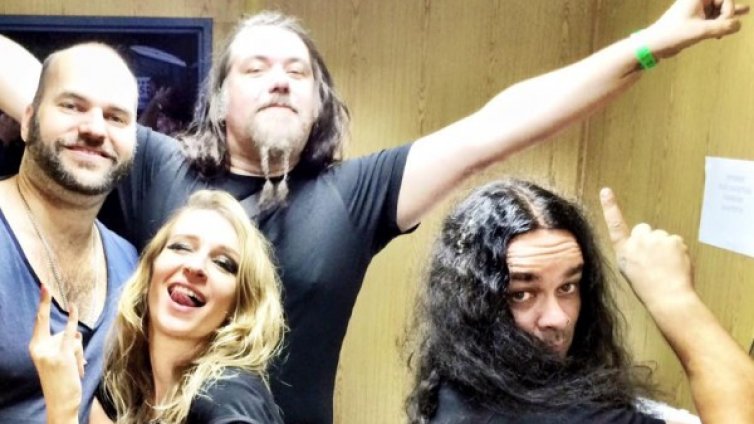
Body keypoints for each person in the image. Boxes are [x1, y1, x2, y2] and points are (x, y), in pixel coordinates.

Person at [0, 1, 748, 421]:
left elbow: (501, 125)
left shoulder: (355, 194)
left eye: (298, 71)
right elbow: (47, 92)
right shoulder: (153, 163)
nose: (280, 80)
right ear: (221, 98)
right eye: (256, 67)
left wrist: (652, 43)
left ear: (320, 102)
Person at [405, 180, 754, 423]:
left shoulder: (459, 382)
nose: (558, 318)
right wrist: (674, 297)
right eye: (522, 294)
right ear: (472, 303)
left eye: (568, 287)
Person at [29, 190, 286, 423]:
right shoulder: (124, 388)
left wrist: (63, 410)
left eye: (223, 263)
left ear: (240, 305)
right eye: (181, 247)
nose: (195, 266)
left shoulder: (229, 396)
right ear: (149, 272)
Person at [0, 43, 139, 422]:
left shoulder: (128, 263)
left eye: (115, 117)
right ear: (27, 121)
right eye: (72, 106)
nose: (94, 129)